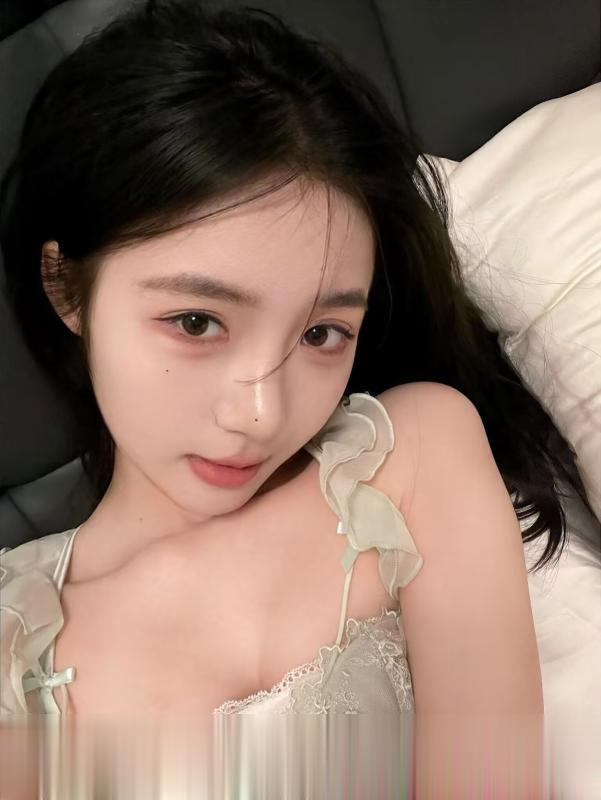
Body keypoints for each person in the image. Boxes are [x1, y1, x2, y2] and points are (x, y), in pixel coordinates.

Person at [0, 0, 589, 795]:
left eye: (321, 334)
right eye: (197, 322)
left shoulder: (408, 456)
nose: (261, 414)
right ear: (67, 288)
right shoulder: (14, 643)